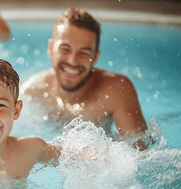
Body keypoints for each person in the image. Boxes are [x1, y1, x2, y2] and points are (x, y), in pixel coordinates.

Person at [21, 8, 147, 150]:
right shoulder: (33, 90)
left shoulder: (116, 91)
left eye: (83, 53)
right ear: (51, 48)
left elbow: (139, 153)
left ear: (95, 57)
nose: (73, 61)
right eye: (65, 49)